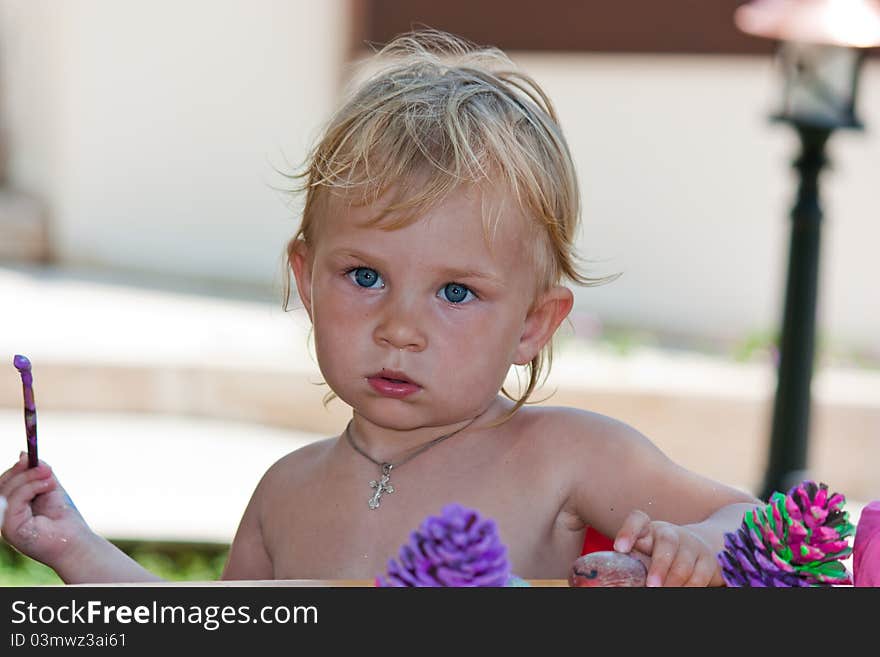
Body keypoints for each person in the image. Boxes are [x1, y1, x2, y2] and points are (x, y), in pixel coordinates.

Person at [0, 29, 760, 586]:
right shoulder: (286, 494)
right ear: (306, 277)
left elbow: (755, 527)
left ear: (533, 323)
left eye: (456, 292)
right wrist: (78, 548)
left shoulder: (569, 455)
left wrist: (691, 548)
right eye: (364, 276)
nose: (400, 327)